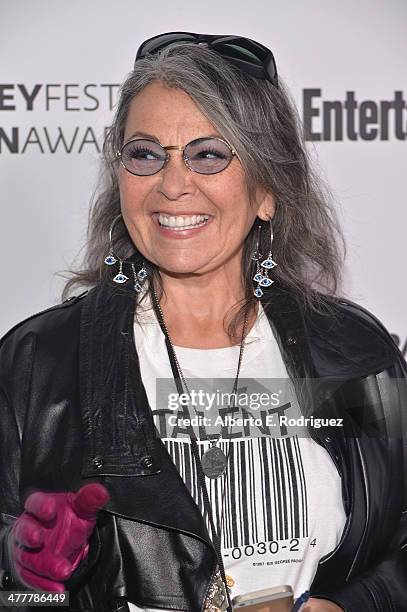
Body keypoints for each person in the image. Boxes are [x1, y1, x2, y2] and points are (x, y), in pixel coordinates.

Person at [0, 31, 406, 612]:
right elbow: (14, 591)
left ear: (267, 189)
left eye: (208, 154)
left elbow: (398, 537)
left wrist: (353, 605)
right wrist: (27, 575)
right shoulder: (39, 365)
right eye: (145, 154)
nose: (172, 184)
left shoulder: (352, 352)